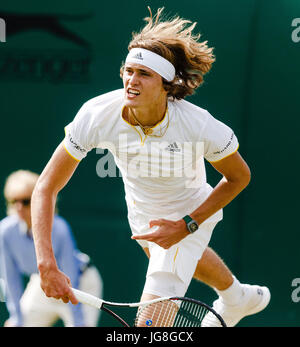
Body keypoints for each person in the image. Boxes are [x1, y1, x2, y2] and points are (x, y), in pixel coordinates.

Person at [30, 8, 270, 327]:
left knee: (151, 327)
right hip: (142, 214)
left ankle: (233, 297)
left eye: (144, 74)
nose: (132, 80)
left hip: (191, 209)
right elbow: (46, 187)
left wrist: (187, 224)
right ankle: (238, 297)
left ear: (167, 85)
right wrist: (46, 263)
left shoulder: (198, 125)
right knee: (190, 259)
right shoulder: (97, 114)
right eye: (129, 70)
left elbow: (239, 176)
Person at [0, 170, 103, 327]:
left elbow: (71, 276)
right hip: (43, 284)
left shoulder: (60, 228)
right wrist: (16, 318)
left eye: (26, 201)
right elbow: (10, 277)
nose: (19, 207)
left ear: (38, 201)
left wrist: (78, 321)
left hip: (80, 284)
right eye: (14, 201)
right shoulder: (5, 231)